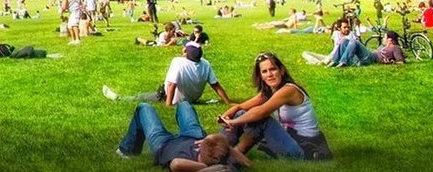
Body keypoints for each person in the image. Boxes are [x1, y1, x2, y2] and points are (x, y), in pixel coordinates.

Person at [217, 53, 333, 160]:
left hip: (308, 150)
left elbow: (261, 112)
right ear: (261, 76)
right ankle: (216, 149)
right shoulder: (270, 91)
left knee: (261, 120)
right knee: (242, 114)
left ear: (281, 71)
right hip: (291, 140)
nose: (270, 74)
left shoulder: (289, 90)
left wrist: (234, 122)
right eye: (265, 71)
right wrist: (226, 117)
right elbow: (241, 107)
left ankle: (231, 158)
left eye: (273, 69)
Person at [117, 100, 247, 170]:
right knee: (184, 104)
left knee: (144, 107)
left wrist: (206, 167)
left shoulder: (189, 164)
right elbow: (248, 163)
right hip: (193, 136)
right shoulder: (222, 155)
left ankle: (126, 150)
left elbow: (175, 164)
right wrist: (223, 146)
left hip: (163, 144)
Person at [104, 43, 232, 105]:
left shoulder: (178, 62)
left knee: (140, 97)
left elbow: (171, 85)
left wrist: (168, 104)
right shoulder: (205, 63)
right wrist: (227, 101)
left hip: (171, 98)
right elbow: (216, 86)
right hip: (192, 99)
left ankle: (118, 98)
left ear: (186, 53)